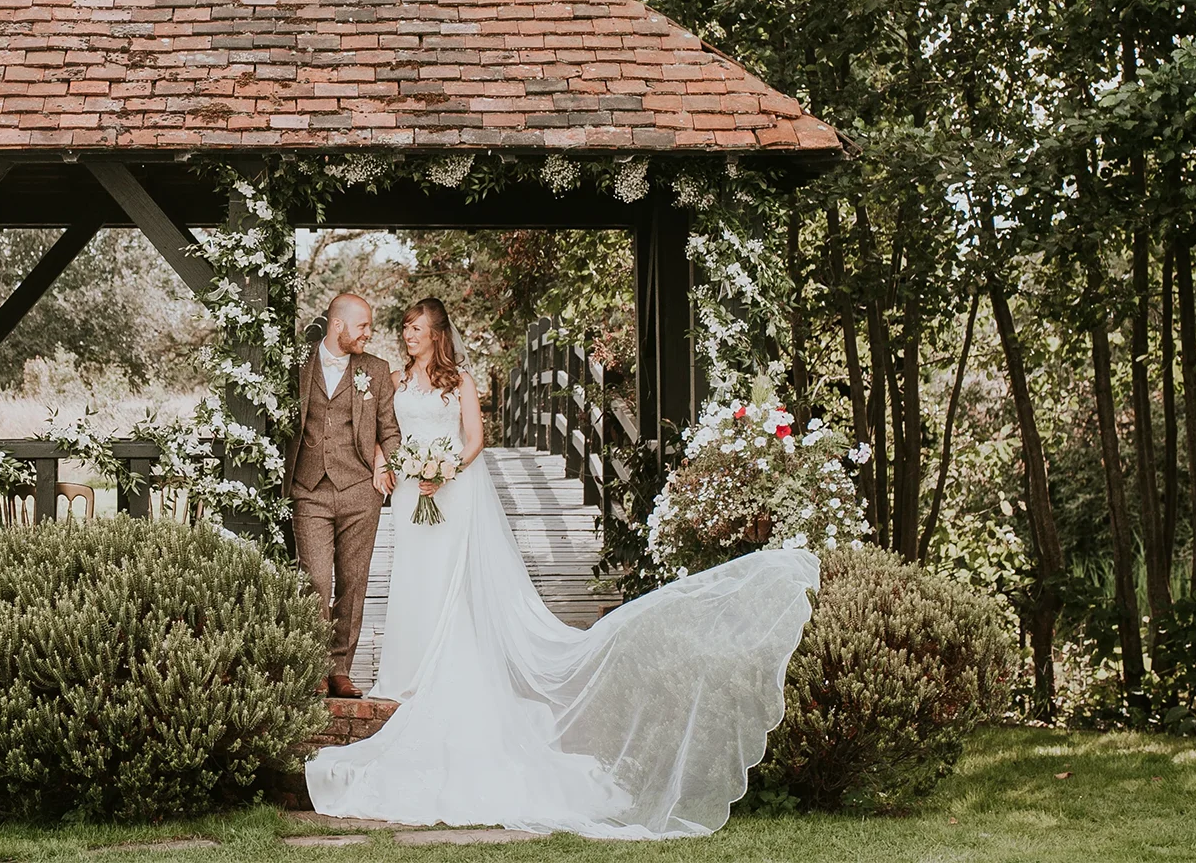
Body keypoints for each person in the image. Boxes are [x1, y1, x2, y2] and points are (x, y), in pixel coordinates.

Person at [305, 297, 821, 839]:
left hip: (450, 492)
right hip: (412, 495)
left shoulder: (460, 380)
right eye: (404, 328)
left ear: (436, 333)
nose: (406, 335)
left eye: (414, 329)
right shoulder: (391, 376)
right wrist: (399, 465)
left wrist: (446, 469)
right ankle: (403, 672)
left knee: (448, 583)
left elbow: (476, 440)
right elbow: (386, 429)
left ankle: (440, 665)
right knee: (413, 580)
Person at [288, 292, 401, 700]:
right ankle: (314, 665)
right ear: (338, 326)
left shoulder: (375, 369)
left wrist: (387, 460)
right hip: (308, 488)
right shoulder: (296, 366)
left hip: (359, 491)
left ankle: (340, 669)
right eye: (363, 326)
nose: (369, 334)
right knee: (315, 579)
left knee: (353, 582)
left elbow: (388, 428)